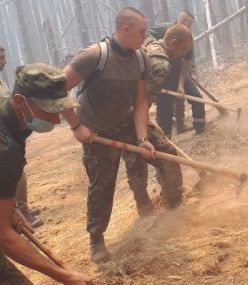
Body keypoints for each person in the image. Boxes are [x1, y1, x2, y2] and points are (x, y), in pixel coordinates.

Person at [61, 8, 190, 264]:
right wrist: (76, 126)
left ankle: (173, 209)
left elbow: (141, 100)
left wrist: (143, 139)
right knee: (102, 185)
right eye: (142, 31)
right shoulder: (94, 56)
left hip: (127, 121)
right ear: (125, 29)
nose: (146, 36)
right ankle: (96, 241)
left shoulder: (141, 58)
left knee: (167, 156)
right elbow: (57, 89)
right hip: (96, 128)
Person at [0, 63, 94, 285]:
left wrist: (9, 207)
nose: (55, 120)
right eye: (49, 110)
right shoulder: (5, 150)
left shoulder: (11, 121)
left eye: (59, 110)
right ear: (20, 101)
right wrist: (65, 276)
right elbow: (4, 236)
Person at [0, 46, 43, 228]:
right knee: (16, 175)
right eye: (0, 57)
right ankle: (20, 213)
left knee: (19, 172)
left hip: (9, 129)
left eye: (4, 56)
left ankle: (21, 208)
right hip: (3, 133)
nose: (5, 61)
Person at [152, 11, 206, 137]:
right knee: (165, 112)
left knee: (197, 98)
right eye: (188, 23)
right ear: (181, 21)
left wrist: (181, 85)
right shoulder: (162, 30)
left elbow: (186, 63)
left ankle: (200, 131)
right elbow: (144, 37)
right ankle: (164, 142)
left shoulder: (188, 40)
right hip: (162, 77)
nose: (189, 27)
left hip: (178, 72)